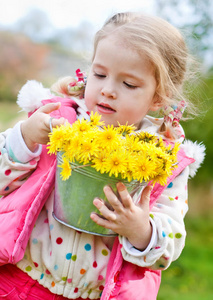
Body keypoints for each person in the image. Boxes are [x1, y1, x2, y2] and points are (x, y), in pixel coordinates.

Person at [0, 12, 205, 300]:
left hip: (96, 294)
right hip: (18, 281)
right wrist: (25, 138)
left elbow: (168, 246)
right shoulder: (55, 121)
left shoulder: (163, 159)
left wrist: (141, 229)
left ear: (158, 97)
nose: (107, 90)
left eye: (129, 84)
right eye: (100, 74)